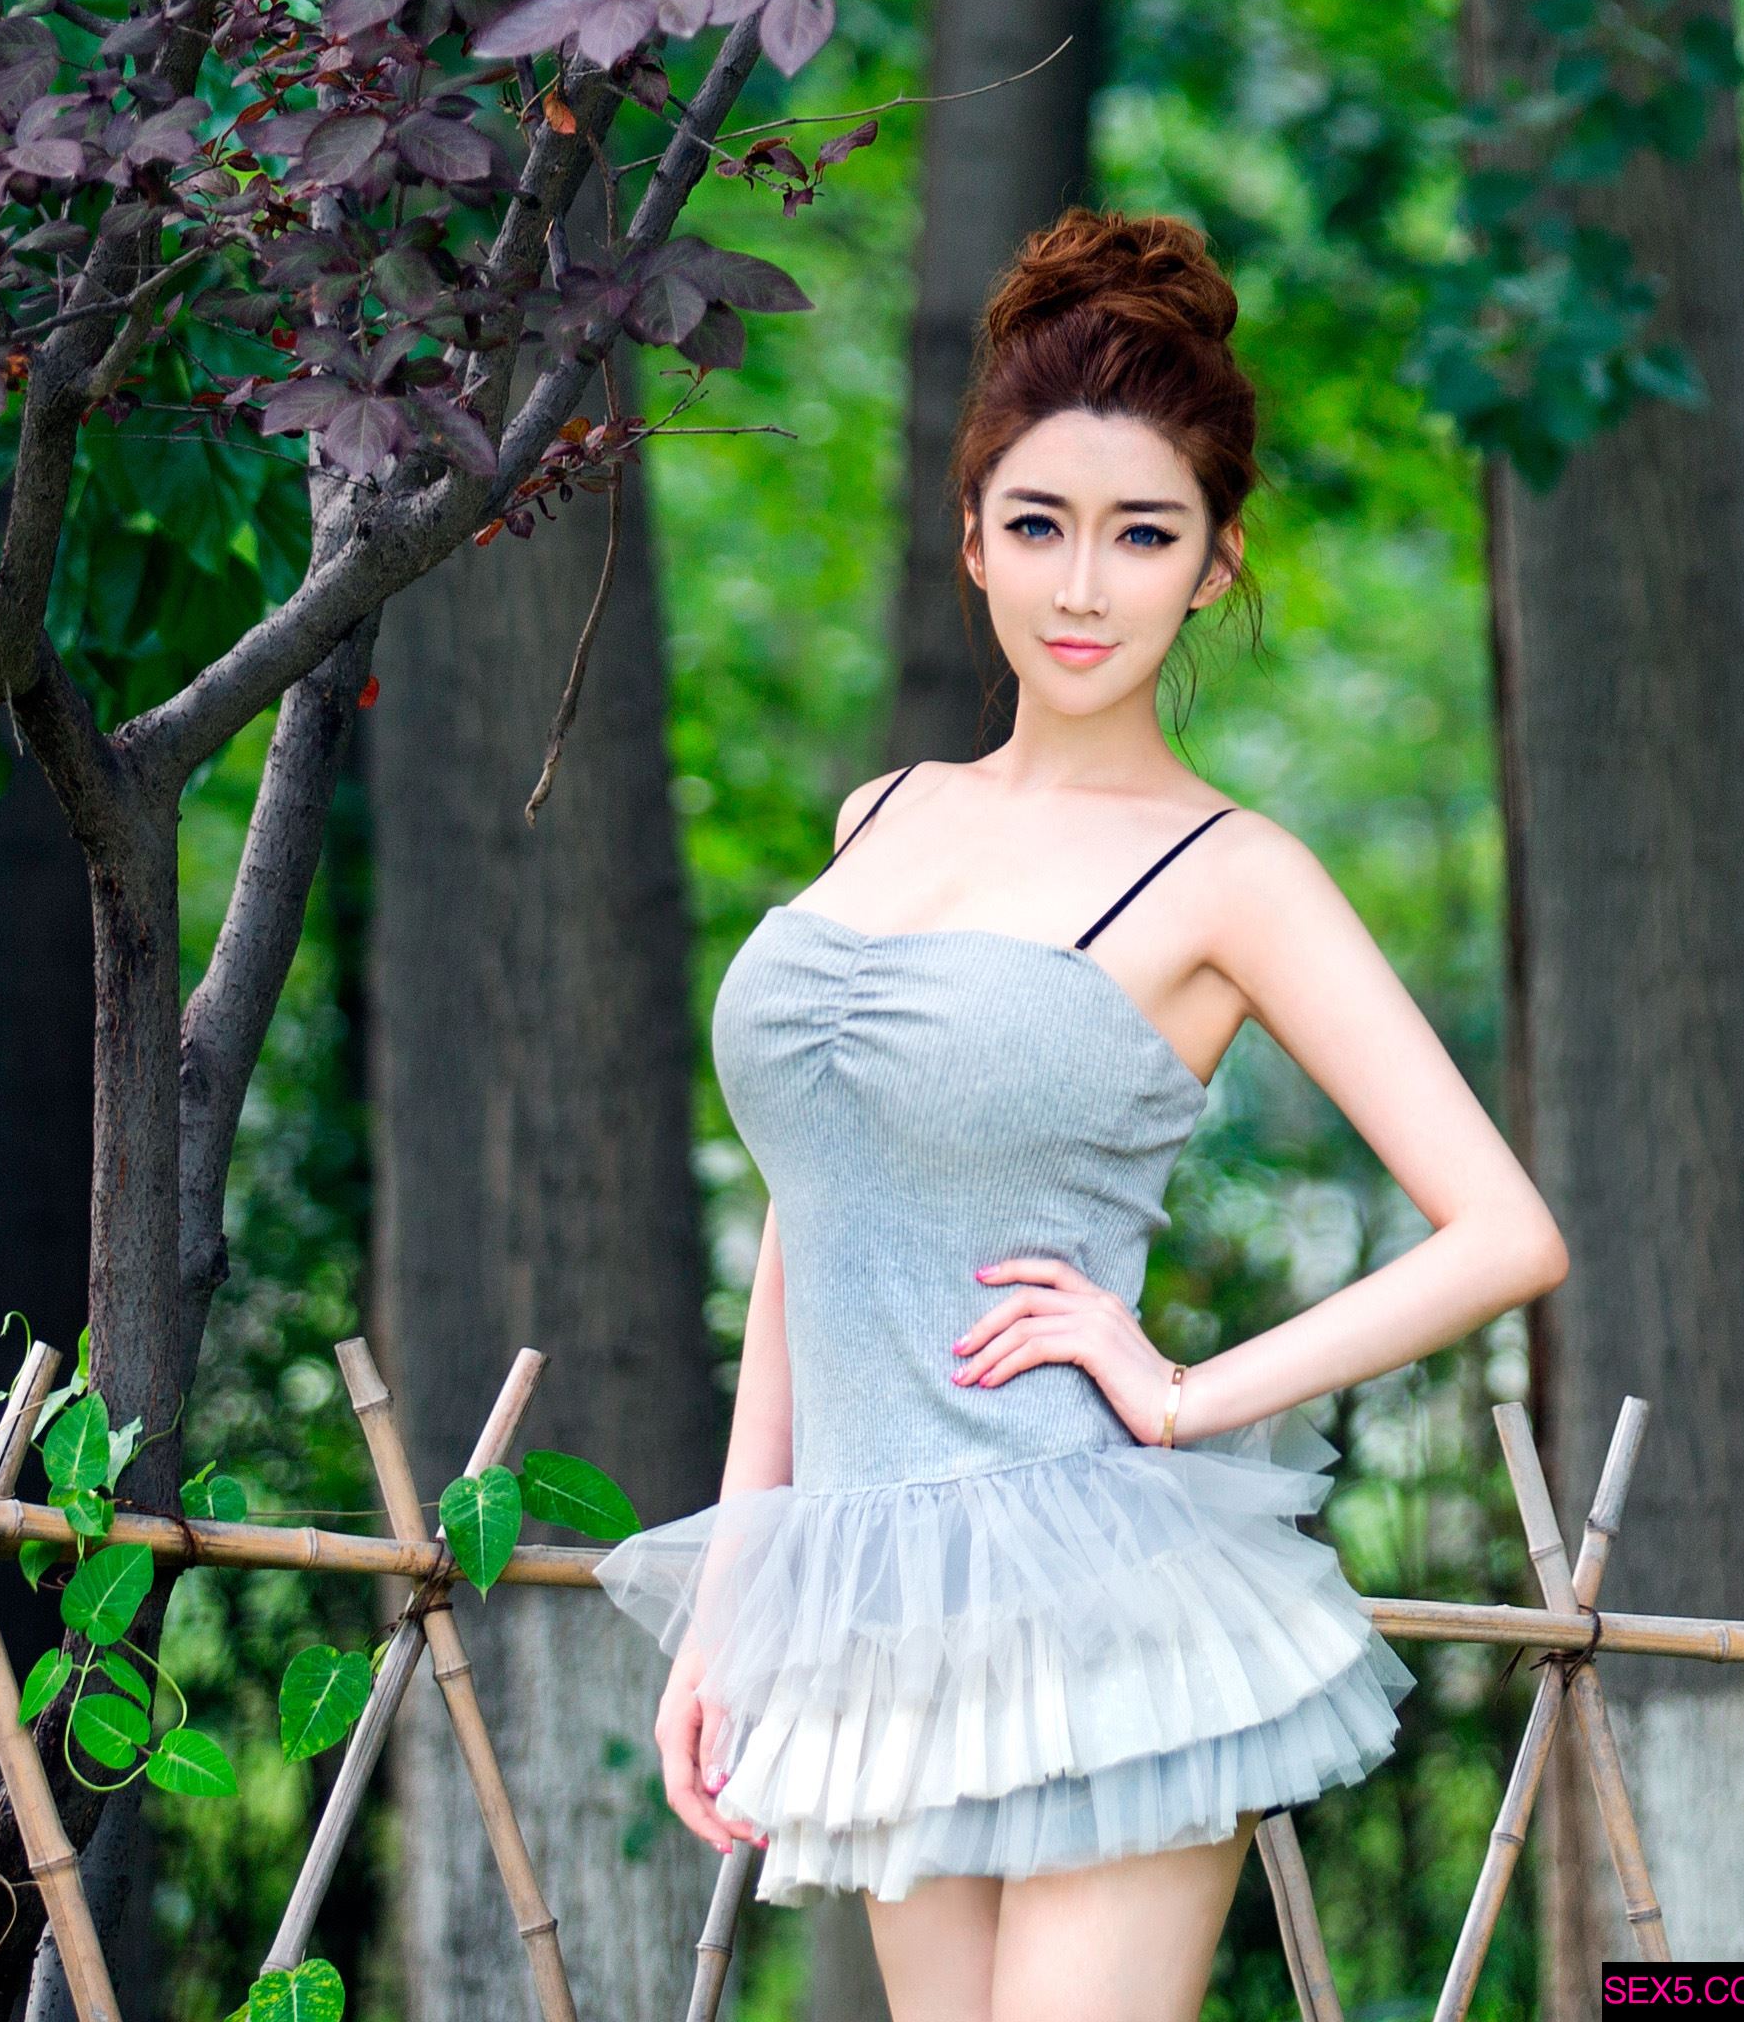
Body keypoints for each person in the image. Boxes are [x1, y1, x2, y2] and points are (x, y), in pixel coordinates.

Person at [616, 208, 1566, 2020]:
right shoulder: (881, 816)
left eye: (1143, 534)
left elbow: (1506, 1234)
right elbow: (817, 1216)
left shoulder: (1234, 875)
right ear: (973, 534)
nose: (1082, 586)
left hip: (1096, 1597)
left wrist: (1186, 1393)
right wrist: (733, 1597)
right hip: (882, 1603)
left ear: (1213, 565)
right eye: (1041, 525)